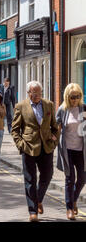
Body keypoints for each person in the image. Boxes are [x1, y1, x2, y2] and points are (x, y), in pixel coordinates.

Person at [11, 81, 60, 222]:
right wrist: (21, 145)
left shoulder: (49, 104)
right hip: (28, 147)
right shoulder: (21, 107)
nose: (38, 95)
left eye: (40, 93)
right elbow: (14, 130)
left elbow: (55, 127)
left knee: (48, 175)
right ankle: (33, 211)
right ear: (29, 93)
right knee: (30, 179)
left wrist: (55, 141)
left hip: (46, 147)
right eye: (35, 93)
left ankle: (38, 199)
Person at [56, 83, 86, 220]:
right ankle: (69, 208)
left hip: (82, 149)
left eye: (78, 96)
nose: (75, 99)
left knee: (82, 178)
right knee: (70, 179)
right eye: (73, 97)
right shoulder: (62, 109)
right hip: (67, 149)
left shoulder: (83, 108)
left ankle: (73, 199)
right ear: (67, 96)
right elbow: (56, 127)